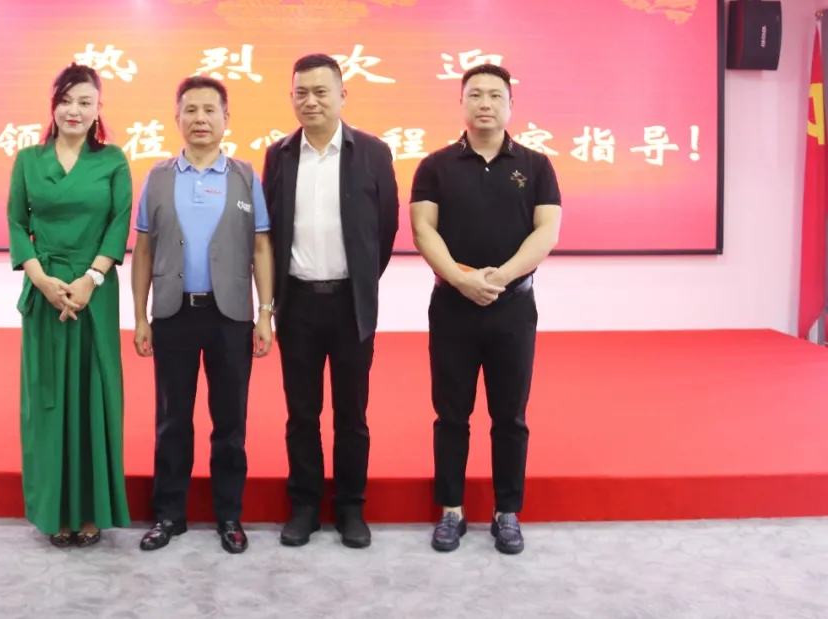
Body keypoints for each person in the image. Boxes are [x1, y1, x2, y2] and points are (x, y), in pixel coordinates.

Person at [409, 63, 562, 555]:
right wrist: (461, 279)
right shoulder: (435, 166)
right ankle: (451, 509)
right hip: (451, 307)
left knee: (510, 414)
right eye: (475, 94)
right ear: (461, 102)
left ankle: (506, 511)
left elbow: (547, 231)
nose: (485, 104)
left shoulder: (536, 166)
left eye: (495, 95)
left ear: (510, 105)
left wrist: (499, 278)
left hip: (513, 308)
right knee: (451, 413)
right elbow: (423, 230)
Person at [131, 75, 275, 555]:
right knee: (172, 420)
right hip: (173, 314)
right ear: (176, 118)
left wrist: (264, 314)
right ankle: (169, 514)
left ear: (226, 118)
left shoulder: (244, 176)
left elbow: (261, 246)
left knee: (230, 421)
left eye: (210, 110)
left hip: (230, 316)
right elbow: (144, 250)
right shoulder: (158, 177)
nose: (200, 119)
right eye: (190, 110)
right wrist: (141, 316)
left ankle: (229, 515)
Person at [262, 53, 399, 549]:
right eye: (302, 92)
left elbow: (385, 228)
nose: (311, 101)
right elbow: (270, 229)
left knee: (351, 414)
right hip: (297, 303)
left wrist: (359, 280)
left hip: (349, 305)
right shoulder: (279, 155)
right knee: (302, 413)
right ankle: (304, 506)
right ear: (291, 97)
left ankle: (350, 507)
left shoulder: (373, 152)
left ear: (343, 95)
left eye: (322, 91)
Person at [6, 62, 133, 547]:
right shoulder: (28, 160)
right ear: (53, 106)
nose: (74, 110)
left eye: (84, 101)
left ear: (99, 109)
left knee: (94, 396)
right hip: (45, 291)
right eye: (65, 100)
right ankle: (54, 510)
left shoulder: (113, 160)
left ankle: (91, 511)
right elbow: (17, 224)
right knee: (48, 399)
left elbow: (119, 222)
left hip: (93, 294)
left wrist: (90, 279)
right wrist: (41, 280)